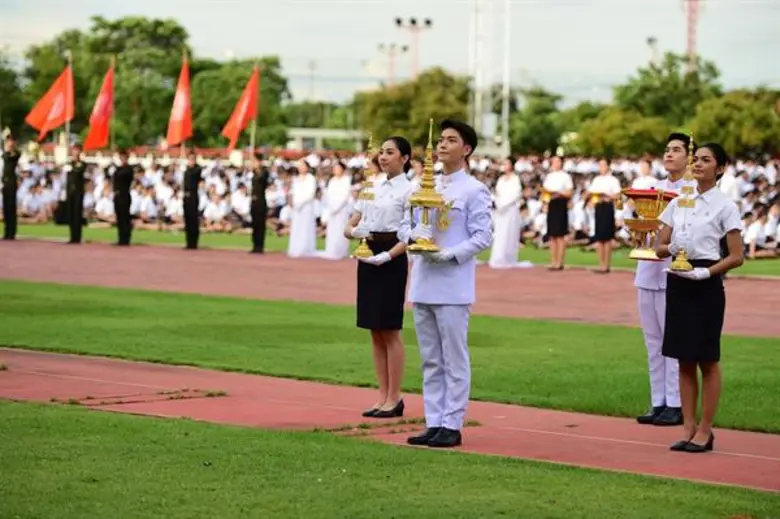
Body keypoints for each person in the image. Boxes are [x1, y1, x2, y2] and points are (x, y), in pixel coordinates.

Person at [398, 120, 493, 448]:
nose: (442, 145)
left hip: (452, 283)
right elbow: (403, 224)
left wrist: (449, 254)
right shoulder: (424, 184)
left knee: (454, 356)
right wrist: (413, 237)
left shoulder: (474, 190)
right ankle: (433, 420)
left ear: (466, 150)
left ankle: (453, 422)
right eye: (441, 140)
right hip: (423, 279)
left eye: (451, 140)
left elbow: (483, 236)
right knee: (430, 357)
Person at [656, 142, 744, 453]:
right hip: (679, 279)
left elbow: (736, 256)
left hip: (706, 281)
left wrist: (707, 273)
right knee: (683, 359)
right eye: (697, 159)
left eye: (707, 160)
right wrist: (671, 247)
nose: (698, 164)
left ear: (720, 168)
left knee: (707, 360)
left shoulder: (725, 206)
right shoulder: (680, 201)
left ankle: (706, 430)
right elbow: (659, 245)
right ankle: (688, 427)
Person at [344, 136, 415, 418]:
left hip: (392, 254)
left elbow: (409, 234)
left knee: (390, 329)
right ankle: (382, 395)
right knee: (374, 329)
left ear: (405, 158)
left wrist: (388, 256)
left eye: (390, 152)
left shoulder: (410, 189)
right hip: (367, 251)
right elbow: (350, 224)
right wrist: (356, 233)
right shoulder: (371, 186)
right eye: (381, 153)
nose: (383, 157)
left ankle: (395, 397)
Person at [634, 133, 696, 427]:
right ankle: (658, 400)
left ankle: (676, 402)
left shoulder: (693, 193)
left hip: (676, 272)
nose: (669, 155)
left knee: (674, 341)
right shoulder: (652, 190)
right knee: (652, 342)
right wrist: (635, 230)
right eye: (667, 150)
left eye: (676, 150)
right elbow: (639, 226)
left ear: (688, 157)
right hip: (647, 271)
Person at [586, 158, 622, 273]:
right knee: (599, 237)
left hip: (607, 207)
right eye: (600, 165)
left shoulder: (613, 180)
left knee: (607, 238)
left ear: (608, 166)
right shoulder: (596, 179)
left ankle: (606, 265)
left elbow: (617, 196)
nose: (601, 167)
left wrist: (607, 196)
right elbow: (591, 193)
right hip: (598, 207)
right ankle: (600, 264)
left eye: (603, 165)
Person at [488, 158, 522, 269]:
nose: (504, 166)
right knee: (500, 233)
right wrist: (498, 203)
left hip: (510, 210)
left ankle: (509, 257)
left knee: (510, 233)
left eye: (506, 163)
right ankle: (498, 257)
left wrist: (504, 204)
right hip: (500, 211)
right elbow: (497, 193)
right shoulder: (501, 179)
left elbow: (516, 194)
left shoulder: (515, 179)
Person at [542, 156, 573, 270]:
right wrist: (544, 203)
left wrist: (559, 193)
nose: (555, 163)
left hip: (561, 203)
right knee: (552, 234)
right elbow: (544, 192)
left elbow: (569, 193)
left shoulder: (566, 176)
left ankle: (560, 262)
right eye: (554, 161)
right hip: (551, 203)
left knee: (560, 235)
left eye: (558, 161)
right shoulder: (549, 177)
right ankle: (553, 261)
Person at [287, 159, 317, 258]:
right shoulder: (295, 178)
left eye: (303, 166)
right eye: (300, 166)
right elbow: (292, 192)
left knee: (306, 227)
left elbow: (311, 193)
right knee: (296, 227)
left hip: (306, 207)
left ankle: (305, 248)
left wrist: (301, 203)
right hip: (296, 208)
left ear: (307, 167)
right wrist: (292, 202)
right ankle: (296, 248)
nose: (301, 168)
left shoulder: (311, 178)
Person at [249, 153, 271, 254]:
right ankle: (254, 244)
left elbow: (263, 181)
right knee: (254, 224)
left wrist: (257, 171)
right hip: (253, 201)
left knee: (260, 224)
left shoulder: (264, 172)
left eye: (254, 161)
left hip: (261, 201)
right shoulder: (253, 173)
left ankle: (260, 245)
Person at [112, 149, 134, 246]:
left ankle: (126, 239)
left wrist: (116, 168)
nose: (122, 159)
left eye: (124, 158)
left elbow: (123, 175)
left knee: (125, 217)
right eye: (121, 158)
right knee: (119, 217)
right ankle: (120, 238)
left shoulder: (128, 169)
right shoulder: (118, 168)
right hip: (117, 195)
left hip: (124, 195)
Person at [66, 144, 87, 244]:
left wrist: (74, 164)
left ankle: (77, 236)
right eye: (74, 150)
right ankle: (72, 236)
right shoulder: (69, 163)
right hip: (70, 191)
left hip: (78, 192)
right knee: (70, 214)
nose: (75, 152)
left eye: (77, 150)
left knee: (77, 214)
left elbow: (79, 171)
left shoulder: (82, 164)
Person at [2, 132, 21, 240]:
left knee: (11, 207)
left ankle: (11, 231)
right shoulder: (5, 153)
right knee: (6, 208)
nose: (9, 143)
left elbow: (11, 156)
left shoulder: (15, 153)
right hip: (5, 183)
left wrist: (10, 149)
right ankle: (7, 231)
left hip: (11, 183)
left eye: (11, 141)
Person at [182, 151, 202, 250]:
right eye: (189, 159)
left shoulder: (196, 169)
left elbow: (195, 173)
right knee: (188, 220)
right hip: (186, 197)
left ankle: (194, 242)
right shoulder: (186, 170)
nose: (191, 161)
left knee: (193, 220)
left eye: (192, 159)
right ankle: (188, 242)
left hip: (193, 196)